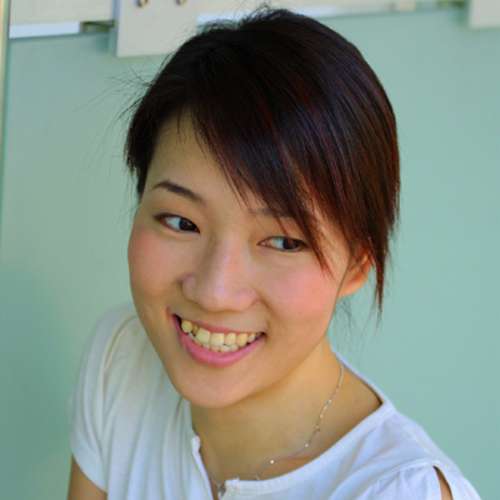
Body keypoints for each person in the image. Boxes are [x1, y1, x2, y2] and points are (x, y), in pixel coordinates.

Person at [67, 6, 481, 500]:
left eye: (283, 242)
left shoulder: (397, 492)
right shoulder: (123, 358)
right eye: (181, 222)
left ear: (357, 265)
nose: (215, 292)